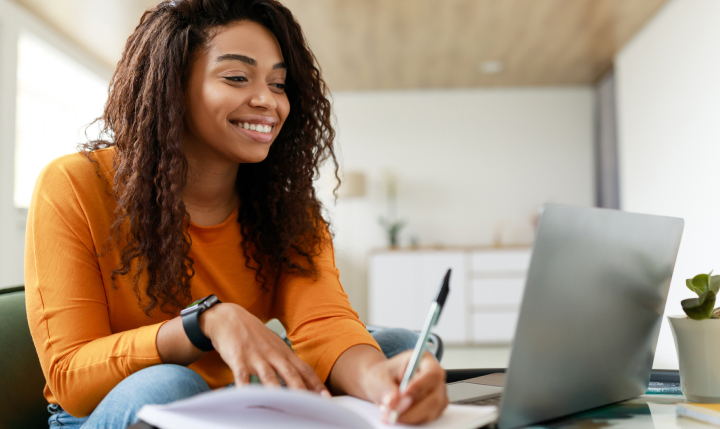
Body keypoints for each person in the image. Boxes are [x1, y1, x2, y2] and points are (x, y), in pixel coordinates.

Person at [24, 1, 449, 428]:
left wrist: (378, 380)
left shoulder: (285, 209)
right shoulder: (73, 185)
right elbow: (70, 379)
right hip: (108, 409)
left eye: (279, 84)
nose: (268, 101)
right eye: (237, 77)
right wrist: (203, 323)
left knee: (400, 348)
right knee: (170, 386)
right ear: (171, 87)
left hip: (234, 397)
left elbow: (324, 322)